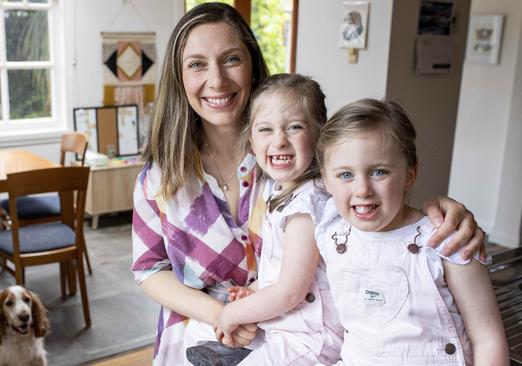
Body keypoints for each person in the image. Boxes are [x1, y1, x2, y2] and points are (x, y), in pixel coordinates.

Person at [131, 3, 484, 365]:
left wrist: (440, 212)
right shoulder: (159, 178)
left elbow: (373, 188)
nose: (217, 80)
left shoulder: (293, 159)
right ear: (178, 76)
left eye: (232, 59)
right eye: (196, 64)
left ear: (253, 66)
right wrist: (221, 315)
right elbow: (149, 269)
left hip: (303, 333)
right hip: (204, 327)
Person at [314, 98, 508, 365]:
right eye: (345, 175)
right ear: (325, 180)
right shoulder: (330, 230)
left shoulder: (448, 239)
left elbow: (488, 339)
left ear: (410, 174)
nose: (362, 190)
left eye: (379, 172)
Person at [213, 74, 343, 365]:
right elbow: (282, 273)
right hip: (287, 328)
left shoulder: (308, 204)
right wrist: (254, 291)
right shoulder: (279, 190)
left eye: (294, 127)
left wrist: (230, 314)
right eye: (266, 130)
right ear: (251, 142)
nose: (280, 140)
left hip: (311, 339)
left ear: (320, 136)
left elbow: (289, 292)